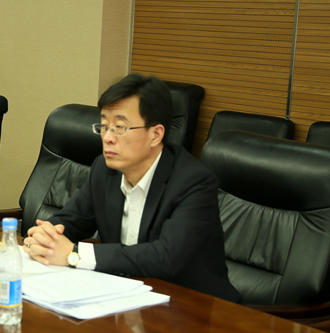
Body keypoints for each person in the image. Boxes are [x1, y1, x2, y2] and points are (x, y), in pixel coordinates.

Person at [23, 73, 240, 302]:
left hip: (196, 306)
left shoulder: (194, 182)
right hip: (126, 296)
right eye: (104, 126)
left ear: (155, 134)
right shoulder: (104, 170)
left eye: (120, 127)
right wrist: (45, 236)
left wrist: (74, 254)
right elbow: (71, 220)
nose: (107, 138)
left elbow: (166, 257)